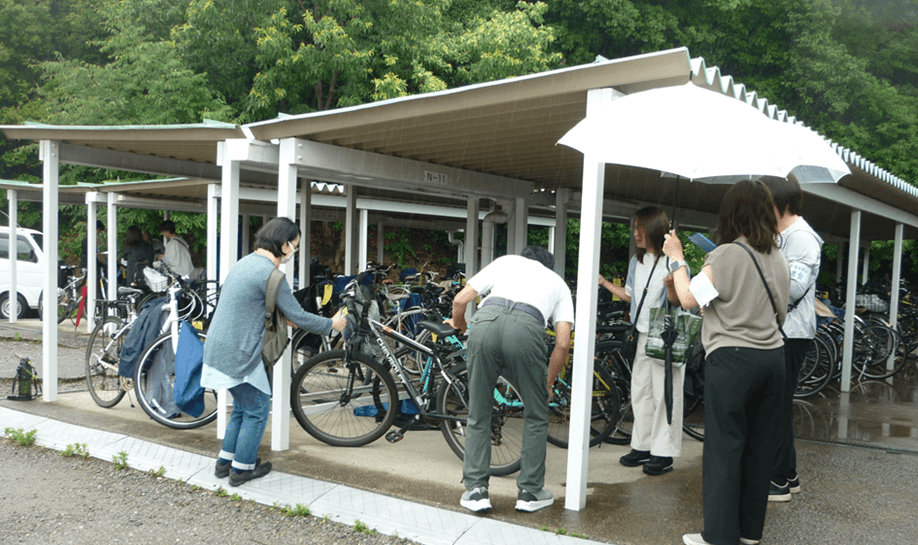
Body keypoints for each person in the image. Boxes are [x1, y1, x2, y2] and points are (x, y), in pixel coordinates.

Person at [663, 179, 789, 545]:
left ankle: (718, 536)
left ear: (731, 212)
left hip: (733, 361)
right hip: (773, 359)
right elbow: (781, 309)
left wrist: (676, 256)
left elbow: (688, 298)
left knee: (724, 448)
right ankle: (750, 534)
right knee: (759, 448)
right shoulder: (778, 259)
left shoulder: (726, 254)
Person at [201, 217, 346, 487]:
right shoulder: (272, 274)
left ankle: (225, 462)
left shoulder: (245, 263)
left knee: (243, 408)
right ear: (284, 244)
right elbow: (298, 316)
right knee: (256, 409)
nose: (295, 250)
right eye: (295, 245)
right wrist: (332, 325)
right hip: (239, 352)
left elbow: (264, 308)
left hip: (218, 346)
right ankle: (241, 470)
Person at [446, 246, 574, 513]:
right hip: (527, 329)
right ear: (547, 266)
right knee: (536, 413)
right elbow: (562, 344)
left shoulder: (506, 262)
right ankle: (529, 493)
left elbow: (460, 300)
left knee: (479, 412)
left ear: (524, 257)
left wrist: (460, 325)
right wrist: (547, 385)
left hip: (485, 323)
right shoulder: (558, 284)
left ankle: (476, 491)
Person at [598, 206, 685, 476]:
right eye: (634, 228)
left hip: (665, 336)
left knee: (665, 395)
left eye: (640, 228)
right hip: (642, 333)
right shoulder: (637, 262)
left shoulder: (674, 261)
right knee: (641, 391)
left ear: (655, 230)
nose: (635, 233)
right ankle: (642, 446)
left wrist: (672, 284)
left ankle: (664, 452)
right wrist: (603, 282)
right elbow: (631, 296)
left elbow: (681, 300)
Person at [761, 176, 822, 502]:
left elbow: (794, 289)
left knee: (776, 407)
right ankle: (790, 474)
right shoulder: (784, 235)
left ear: (777, 202)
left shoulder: (802, 237)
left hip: (792, 332)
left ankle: (778, 480)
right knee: (778, 405)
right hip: (782, 331)